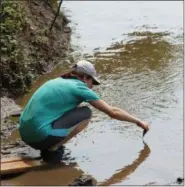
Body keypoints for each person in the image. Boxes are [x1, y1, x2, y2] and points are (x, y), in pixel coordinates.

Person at [19, 60, 150, 162]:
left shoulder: (57, 81)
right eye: (92, 82)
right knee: (86, 113)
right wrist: (138, 121)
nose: (92, 86)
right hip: (39, 137)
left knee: (74, 109)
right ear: (85, 78)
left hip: (25, 134)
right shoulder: (79, 87)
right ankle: (53, 149)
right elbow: (112, 112)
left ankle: (51, 144)